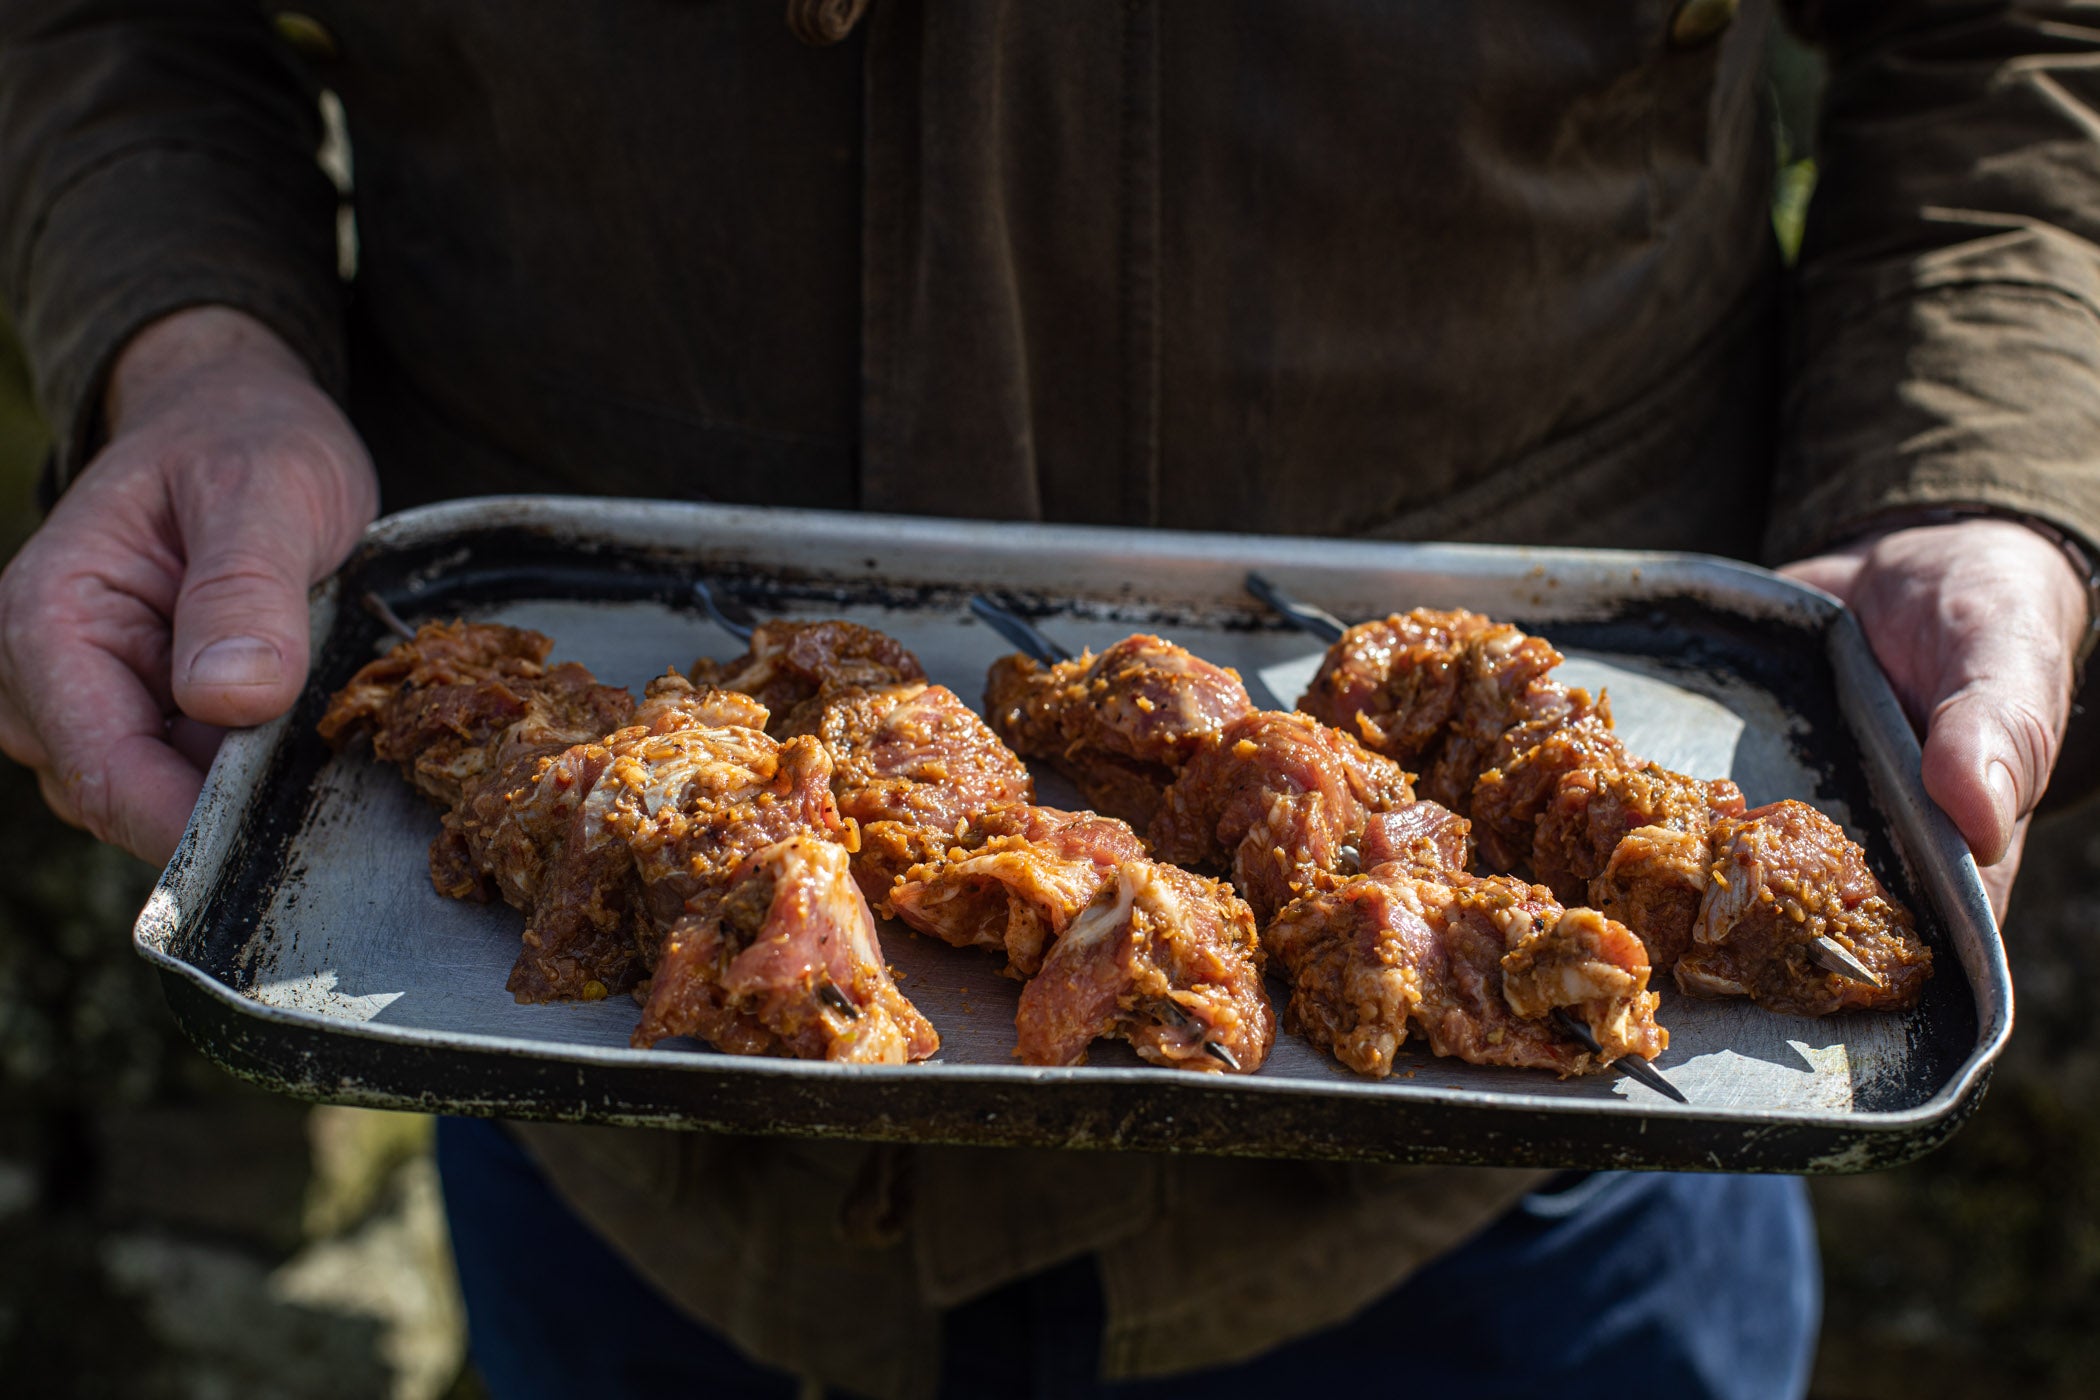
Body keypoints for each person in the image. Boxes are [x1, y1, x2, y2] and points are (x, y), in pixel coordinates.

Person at [0, 3, 2092, 1397]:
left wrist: (1973, 461)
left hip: (1526, 1232)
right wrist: (188, 345)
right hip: (622, 1198)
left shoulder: (1429, 887)